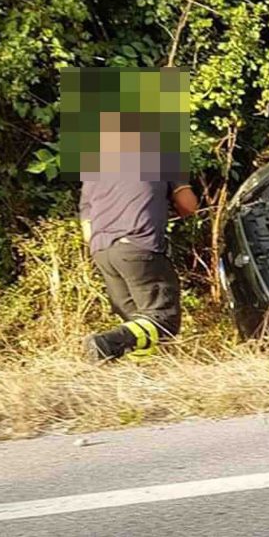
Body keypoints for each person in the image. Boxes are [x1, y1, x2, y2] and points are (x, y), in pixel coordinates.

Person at [80, 120, 198, 361]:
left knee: (138, 326)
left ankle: (145, 374)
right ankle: (105, 343)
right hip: (137, 245)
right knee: (163, 320)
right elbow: (188, 205)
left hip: (102, 251)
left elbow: (86, 223)